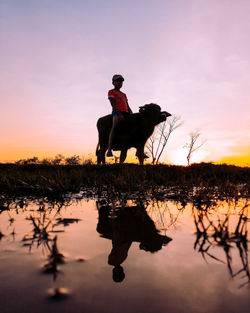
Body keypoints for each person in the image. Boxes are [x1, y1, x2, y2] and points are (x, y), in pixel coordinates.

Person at [107, 74, 132, 157]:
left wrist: (131, 113)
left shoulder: (124, 94)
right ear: (113, 83)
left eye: (121, 81)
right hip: (116, 112)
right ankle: (109, 149)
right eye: (117, 81)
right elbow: (113, 103)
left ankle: (139, 150)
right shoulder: (111, 91)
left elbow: (127, 105)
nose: (119, 83)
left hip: (126, 112)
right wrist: (118, 113)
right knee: (115, 125)